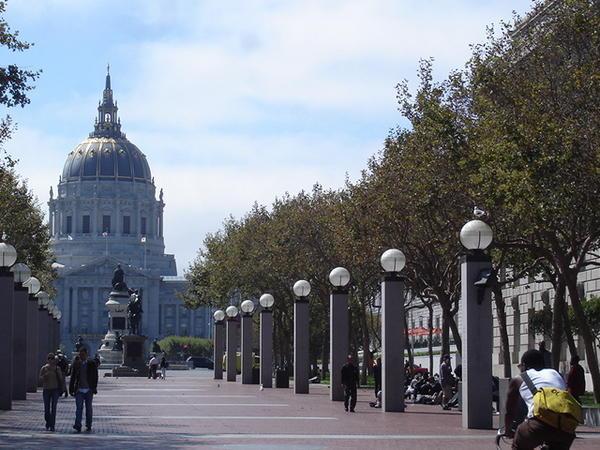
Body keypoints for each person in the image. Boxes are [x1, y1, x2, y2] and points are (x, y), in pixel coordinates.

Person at [504, 349, 575, 449]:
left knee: (519, 443)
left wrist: (507, 430)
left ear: (524, 365)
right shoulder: (556, 373)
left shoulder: (519, 378)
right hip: (566, 427)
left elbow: (510, 411)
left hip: (538, 426)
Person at [69, 348, 99, 433]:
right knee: (79, 409)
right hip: (79, 390)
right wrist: (71, 389)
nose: (81, 356)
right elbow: (73, 376)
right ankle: (78, 425)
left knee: (88, 409)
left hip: (89, 390)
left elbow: (95, 377)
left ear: (86, 354)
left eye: (83, 354)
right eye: (80, 355)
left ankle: (88, 424)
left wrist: (94, 388)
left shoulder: (92, 364)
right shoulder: (76, 364)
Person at [39, 353, 65, 432]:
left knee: (53, 408)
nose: (50, 360)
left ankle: (52, 425)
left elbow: (61, 379)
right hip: (46, 390)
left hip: (55, 390)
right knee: (46, 409)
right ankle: (48, 421)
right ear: (47, 360)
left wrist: (63, 387)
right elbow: (40, 378)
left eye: (52, 358)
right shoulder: (44, 368)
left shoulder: (57, 368)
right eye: (49, 358)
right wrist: (44, 376)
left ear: (54, 360)